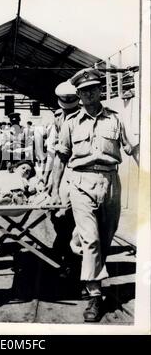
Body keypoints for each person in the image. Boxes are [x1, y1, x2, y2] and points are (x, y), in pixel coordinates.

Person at [50, 67, 139, 322]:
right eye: (83, 91)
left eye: (93, 89)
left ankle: (88, 272)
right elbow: (60, 158)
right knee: (91, 240)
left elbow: (134, 149)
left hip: (110, 181)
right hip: (80, 182)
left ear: (101, 91)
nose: (88, 94)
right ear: (78, 95)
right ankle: (94, 295)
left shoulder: (116, 119)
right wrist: (55, 190)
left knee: (106, 236)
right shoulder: (69, 123)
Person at [45, 80, 80, 277]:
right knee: (59, 217)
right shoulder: (58, 121)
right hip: (61, 173)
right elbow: (52, 155)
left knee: (76, 221)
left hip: (78, 173)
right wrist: (49, 181)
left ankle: (72, 263)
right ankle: (65, 254)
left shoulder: (83, 118)